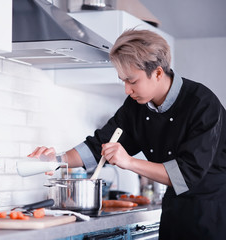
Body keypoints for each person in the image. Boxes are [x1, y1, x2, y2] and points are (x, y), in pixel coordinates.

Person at [28, 29, 226, 239]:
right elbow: (99, 146)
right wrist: (57, 160)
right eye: (123, 80)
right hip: (174, 211)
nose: (126, 90)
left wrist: (129, 161)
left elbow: (186, 176)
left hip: (213, 214)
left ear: (158, 73)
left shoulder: (202, 104)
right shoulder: (136, 106)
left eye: (132, 81)